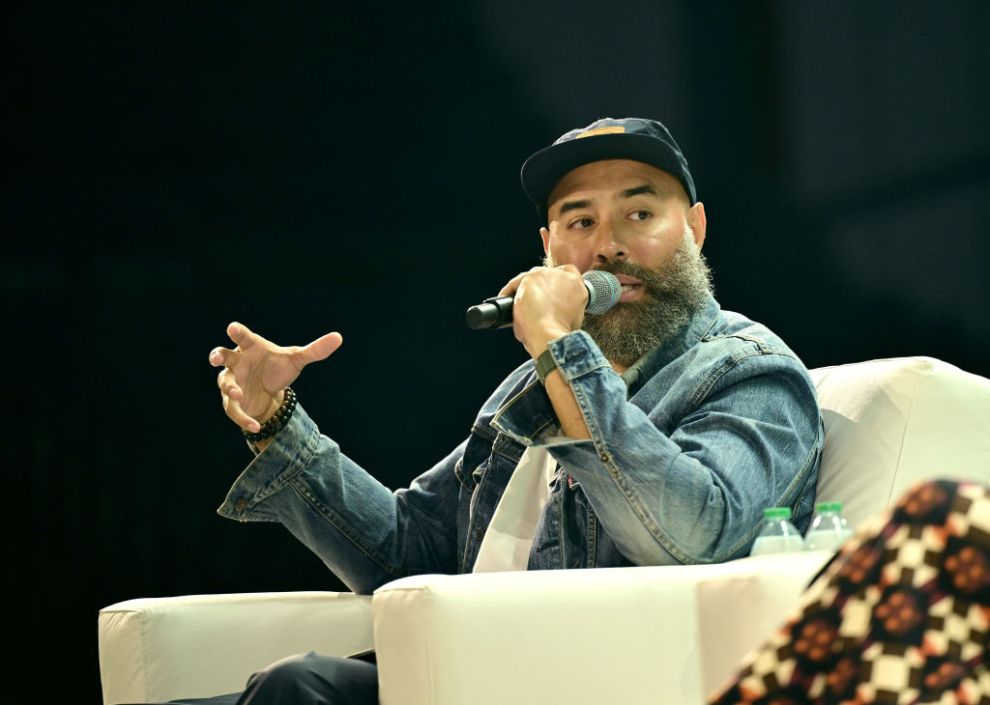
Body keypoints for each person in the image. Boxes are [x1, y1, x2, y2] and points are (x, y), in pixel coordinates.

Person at [185, 117, 823, 704]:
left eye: (639, 212)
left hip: (600, 682)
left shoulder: (748, 373)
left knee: (299, 687)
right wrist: (279, 422)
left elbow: (693, 536)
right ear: (548, 249)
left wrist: (560, 348)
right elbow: (413, 556)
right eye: (580, 223)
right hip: (472, 672)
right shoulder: (529, 388)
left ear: (695, 229)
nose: (609, 247)